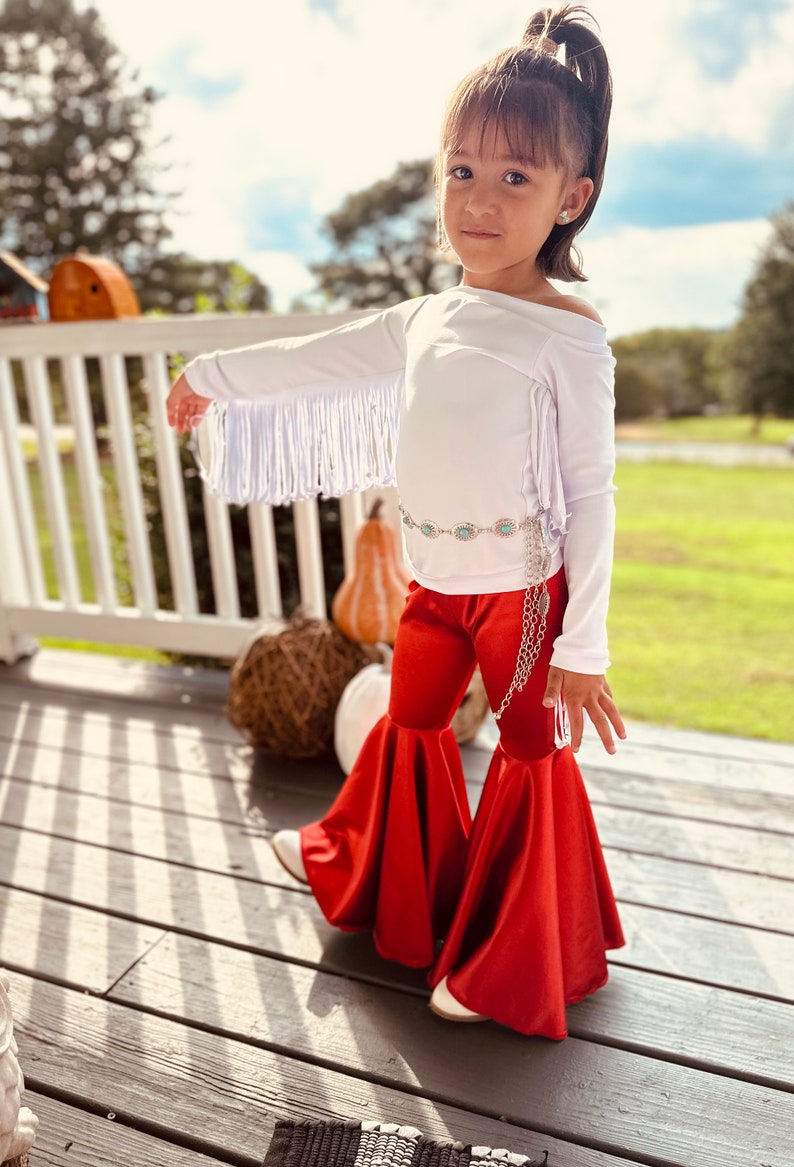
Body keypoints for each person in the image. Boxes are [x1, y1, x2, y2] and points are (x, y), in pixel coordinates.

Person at [167, 4, 627, 1039]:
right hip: (431, 588)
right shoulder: (425, 318)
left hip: (517, 599)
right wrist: (209, 376)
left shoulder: (566, 336)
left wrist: (582, 644)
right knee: (410, 728)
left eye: (516, 176)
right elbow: (311, 357)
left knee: (524, 756)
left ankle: (509, 963)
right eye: (461, 170)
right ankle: (362, 868)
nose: (480, 197)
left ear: (571, 196)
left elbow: (594, 497)